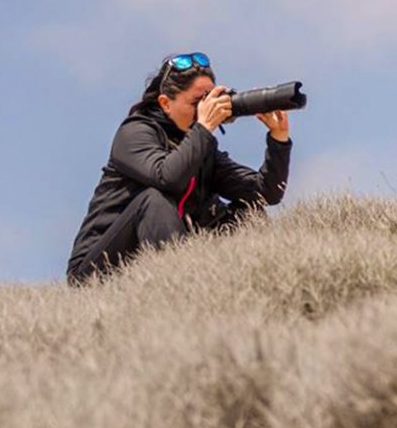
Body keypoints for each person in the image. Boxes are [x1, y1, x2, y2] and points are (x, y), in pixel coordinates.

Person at [66, 52, 293, 284]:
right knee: (154, 200)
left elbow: (266, 193)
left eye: (209, 101)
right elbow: (168, 177)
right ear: (165, 103)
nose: (206, 110)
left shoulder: (201, 146)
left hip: (169, 254)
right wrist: (204, 128)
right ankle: (182, 287)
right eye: (197, 103)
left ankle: (250, 285)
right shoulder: (135, 133)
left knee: (249, 214)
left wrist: (279, 139)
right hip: (96, 271)